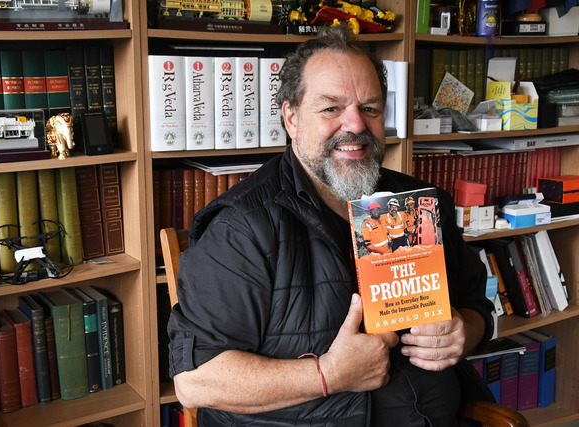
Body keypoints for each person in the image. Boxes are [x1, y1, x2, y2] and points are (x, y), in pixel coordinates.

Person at [167, 23, 494, 426]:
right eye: (331, 109)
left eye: (370, 108)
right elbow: (196, 382)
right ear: (292, 118)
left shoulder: (421, 204)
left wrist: (464, 332)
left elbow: (477, 307)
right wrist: (329, 374)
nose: (355, 125)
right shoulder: (243, 227)